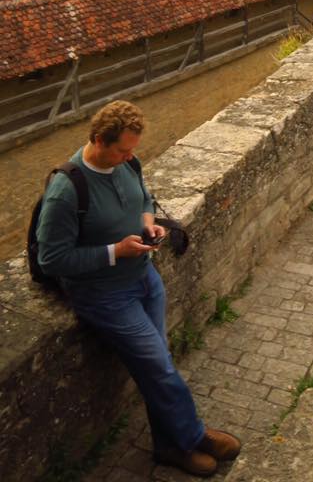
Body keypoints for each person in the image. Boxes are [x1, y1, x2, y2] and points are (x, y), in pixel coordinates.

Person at [37, 100, 240, 478]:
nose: (130, 156)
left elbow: (143, 197)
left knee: (156, 366)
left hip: (145, 280)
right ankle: (193, 437)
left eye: (133, 149)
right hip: (104, 295)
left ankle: (168, 447)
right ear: (98, 140)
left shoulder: (127, 162)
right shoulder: (67, 189)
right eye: (122, 149)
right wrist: (116, 251)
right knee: (160, 368)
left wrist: (149, 224)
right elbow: (52, 259)